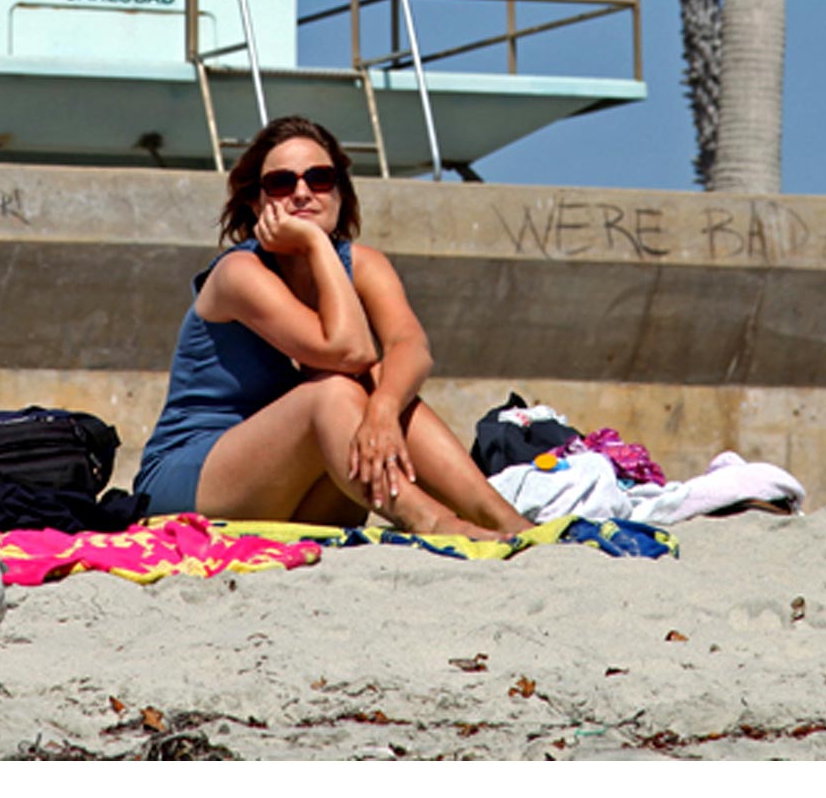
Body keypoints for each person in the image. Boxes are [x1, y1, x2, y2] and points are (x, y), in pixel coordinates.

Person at [134, 116, 531, 540]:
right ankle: (433, 521)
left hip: (294, 482)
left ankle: (500, 516)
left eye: (320, 178)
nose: (302, 193)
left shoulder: (365, 263)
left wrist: (383, 409)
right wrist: (314, 242)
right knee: (337, 388)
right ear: (256, 203)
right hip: (194, 477)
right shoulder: (239, 273)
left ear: (340, 191)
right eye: (282, 183)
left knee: (385, 383)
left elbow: (411, 346)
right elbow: (349, 350)